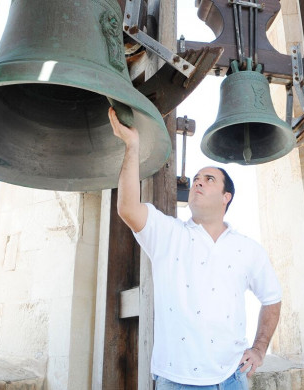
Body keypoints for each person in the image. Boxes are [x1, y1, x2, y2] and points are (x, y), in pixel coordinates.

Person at [108, 107, 282, 389]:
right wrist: (132, 145)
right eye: (197, 178)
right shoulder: (169, 234)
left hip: (232, 378)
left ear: (226, 197)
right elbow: (127, 207)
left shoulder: (247, 249)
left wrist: (260, 348)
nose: (198, 181)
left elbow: (272, 299)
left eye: (209, 179)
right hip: (177, 381)